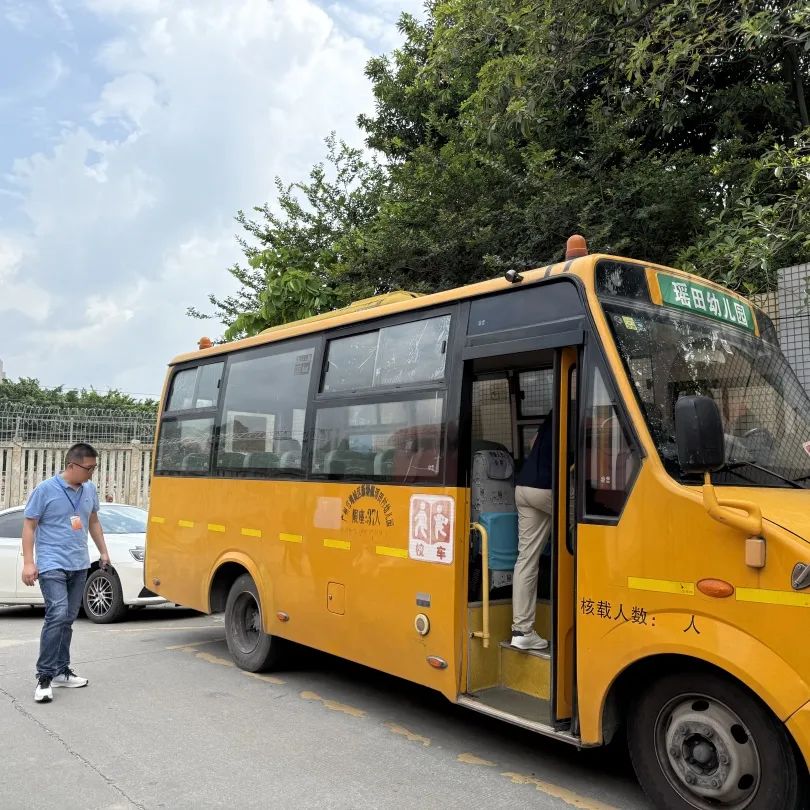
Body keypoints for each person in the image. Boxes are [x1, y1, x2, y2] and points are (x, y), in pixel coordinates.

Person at [21, 443, 111, 704]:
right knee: (57, 614)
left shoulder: (89, 489)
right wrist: (29, 562)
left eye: (95, 468)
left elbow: (93, 521)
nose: (92, 473)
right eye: (89, 468)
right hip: (51, 563)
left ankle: (61, 670)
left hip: (79, 563)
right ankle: (44, 677)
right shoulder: (45, 490)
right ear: (72, 465)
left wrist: (103, 551)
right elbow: (29, 526)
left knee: (68, 619)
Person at [511, 412, 554, 651]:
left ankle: (522, 631)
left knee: (526, 558)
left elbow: (533, 441)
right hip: (548, 487)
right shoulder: (589, 405)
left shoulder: (554, 412)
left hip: (524, 487)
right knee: (589, 527)